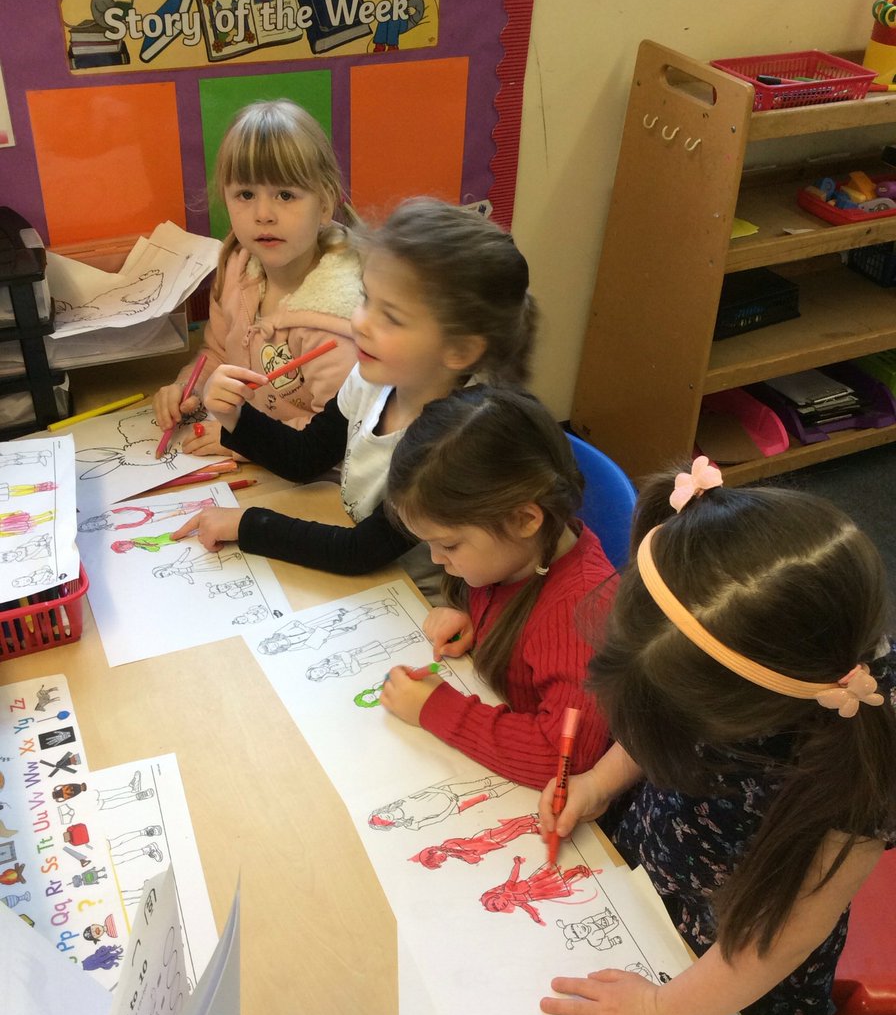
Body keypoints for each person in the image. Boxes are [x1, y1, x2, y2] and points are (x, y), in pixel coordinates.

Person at [538, 457, 896, 1015]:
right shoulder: (731, 661)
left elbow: (784, 934)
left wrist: (663, 1013)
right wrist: (602, 778)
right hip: (657, 874)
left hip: (735, 948)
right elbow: (661, 722)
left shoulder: (858, 752)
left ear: (736, 715)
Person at [172, 198, 536, 597]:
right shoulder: (375, 379)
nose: (360, 322)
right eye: (366, 298)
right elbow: (305, 456)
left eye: (391, 317)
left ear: (460, 351)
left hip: (421, 607)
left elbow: (359, 552)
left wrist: (246, 525)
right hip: (371, 583)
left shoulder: (457, 441)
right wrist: (236, 417)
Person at [379, 386, 616, 786]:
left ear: (525, 520)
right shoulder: (517, 556)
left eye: (449, 545)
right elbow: (519, 621)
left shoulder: (583, 614)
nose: (437, 560)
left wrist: (437, 709)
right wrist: (474, 622)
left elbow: (562, 761)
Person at [153, 99, 362, 456]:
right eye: (246, 194)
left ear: (325, 204)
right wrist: (188, 387)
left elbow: (335, 441)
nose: (263, 214)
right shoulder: (238, 266)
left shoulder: (338, 324)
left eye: (285, 194)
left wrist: (242, 441)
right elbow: (218, 353)